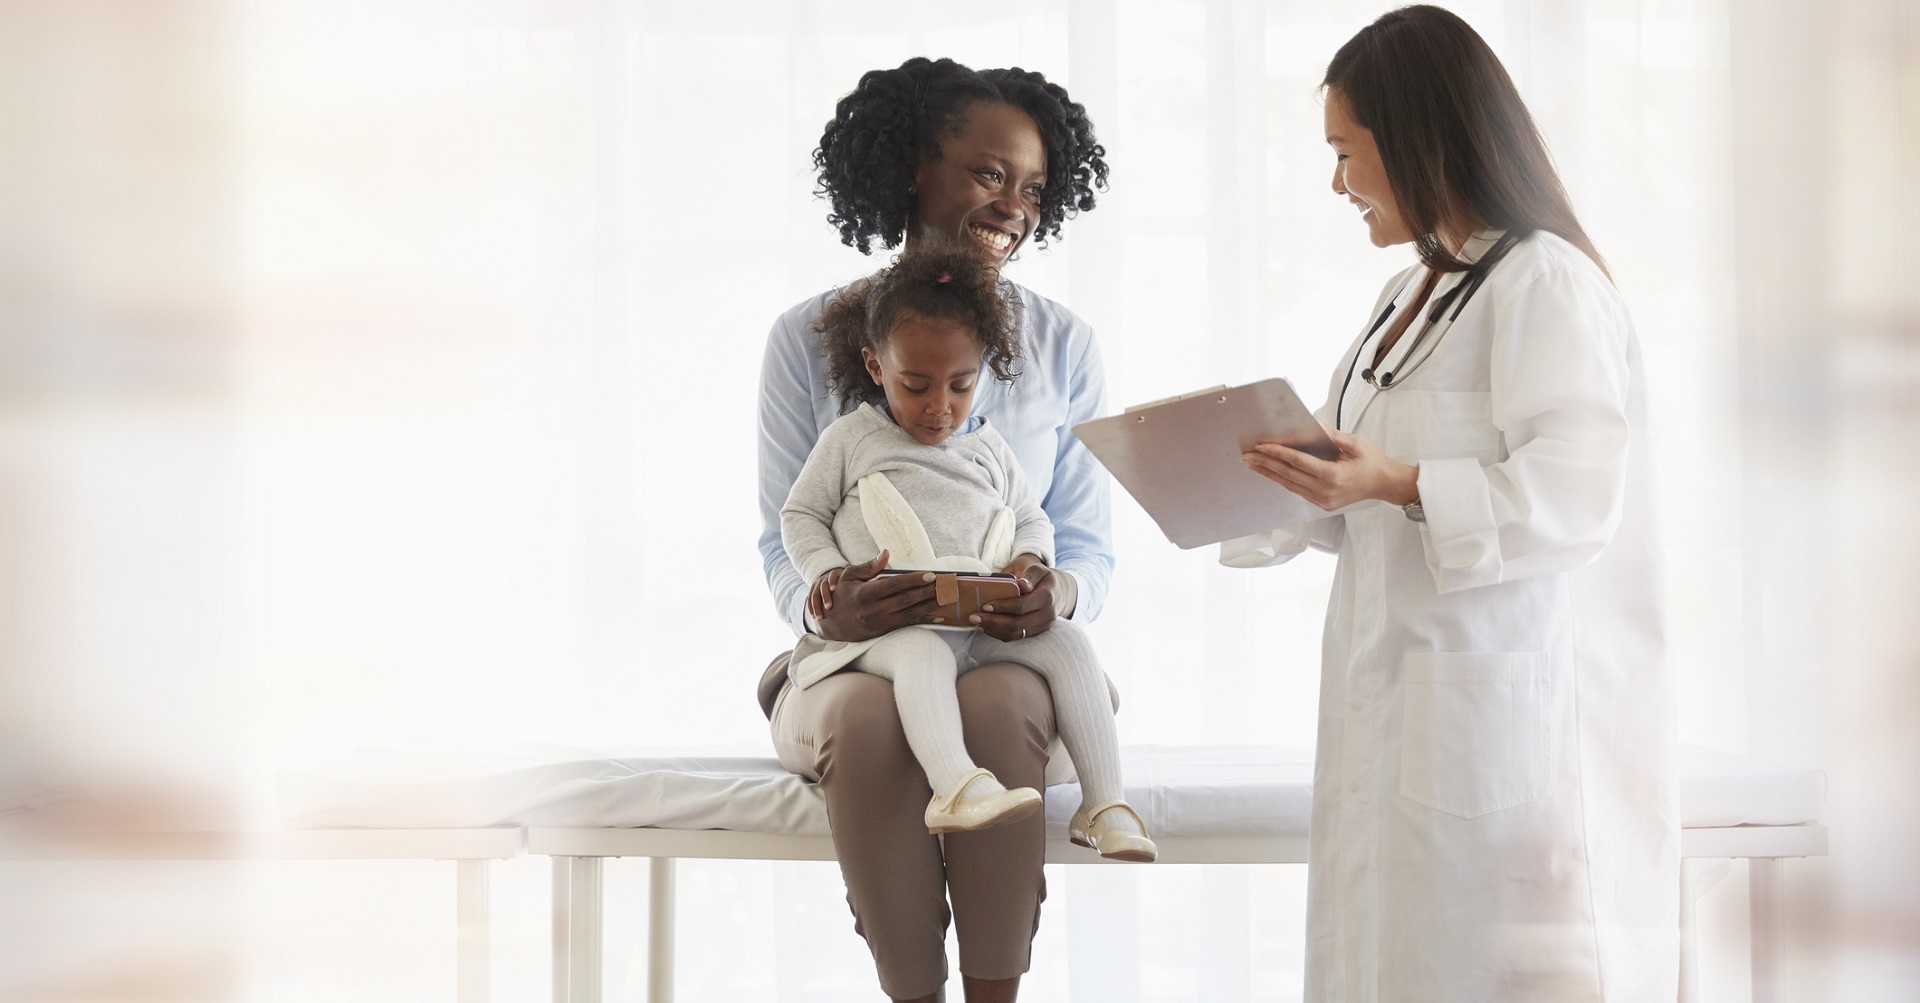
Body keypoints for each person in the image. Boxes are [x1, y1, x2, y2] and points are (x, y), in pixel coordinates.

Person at [1224, 7, 1678, 1001]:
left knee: (1480, 969)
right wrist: (1264, 483)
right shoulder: (1407, 297)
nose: (1336, 182)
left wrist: (1396, 482)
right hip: (1392, 702)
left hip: (1496, 725)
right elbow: (1361, 482)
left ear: (1418, 135)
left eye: (1347, 152)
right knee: (1387, 960)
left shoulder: (1546, 284)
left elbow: (1575, 495)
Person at [755, 57, 1115, 1003]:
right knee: (874, 715)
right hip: (853, 667)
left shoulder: (1064, 345)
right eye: (991, 173)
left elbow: (1087, 543)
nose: (1014, 206)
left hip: (1007, 665)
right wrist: (832, 603)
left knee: (995, 704)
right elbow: (779, 534)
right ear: (917, 164)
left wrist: (1053, 592)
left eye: (1034, 187)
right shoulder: (807, 339)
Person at [781, 246, 1154, 859]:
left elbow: (1032, 515)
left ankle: (1105, 804)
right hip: (888, 629)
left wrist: (1032, 563)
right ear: (876, 368)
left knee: (1069, 643)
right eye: (916, 385)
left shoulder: (987, 445)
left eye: (961, 385)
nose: (940, 407)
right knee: (923, 652)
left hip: (975, 620)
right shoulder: (851, 439)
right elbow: (800, 515)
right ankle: (956, 786)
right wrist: (826, 575)